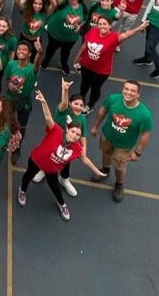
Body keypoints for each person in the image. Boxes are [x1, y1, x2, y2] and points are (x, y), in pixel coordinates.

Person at [17, 90, 108, 221]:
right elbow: (48, 117)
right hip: (37, 160)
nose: (75, 135)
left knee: (55, 188)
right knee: (28, 176)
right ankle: (22, 191)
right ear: (67, 130)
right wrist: (43, 102)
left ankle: (62, 204)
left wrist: (97, 171)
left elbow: (85, 160)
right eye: (73, 132)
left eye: (78, 134)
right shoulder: (56, 131)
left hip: (51, 169)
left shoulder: (77, 147)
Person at [89, 80, 153, 202]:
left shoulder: (144, 114)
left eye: (132, 90)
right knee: (105, 153)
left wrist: (137, 152)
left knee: (120, 167)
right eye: (126, 89)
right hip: (107, 136)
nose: (128, 92)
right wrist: (95, 126)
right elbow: (103, 110)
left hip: (124, 146)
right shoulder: (113, 99)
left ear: (138, 94)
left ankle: (119, 184)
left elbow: (145, 135)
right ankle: (105, 170)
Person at [74, 16, 148, 112]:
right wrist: (78, 57)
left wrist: (138, 29)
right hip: (86, 65)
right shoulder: (93, 31)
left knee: (95, 88)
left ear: (110, 26)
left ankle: (90, 105)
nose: (102, 26)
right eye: (99, 24)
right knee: (84, 85)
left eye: (104, 24)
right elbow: (85, 44)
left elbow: (126, 35)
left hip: (101, 71)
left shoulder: (114, 37)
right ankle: (81, 101)